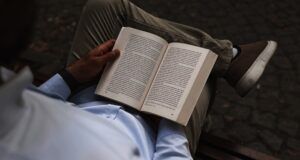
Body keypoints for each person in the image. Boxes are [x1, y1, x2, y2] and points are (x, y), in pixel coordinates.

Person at [0, 0, 277, 159]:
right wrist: (170, 122)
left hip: (88, 91)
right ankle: (229, 60)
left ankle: (231, 57)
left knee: (106, 8)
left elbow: (27, 101)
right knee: (203, 72)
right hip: (156, 131)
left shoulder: (20, 108)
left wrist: (72, 75)